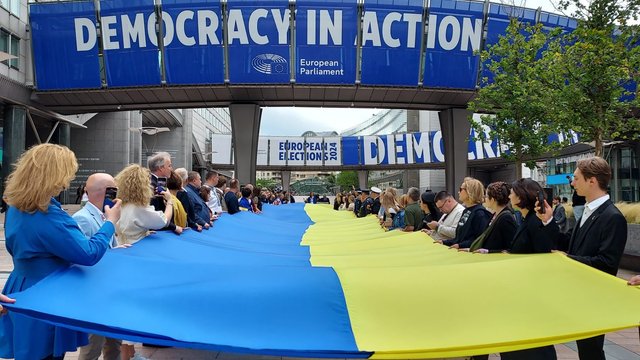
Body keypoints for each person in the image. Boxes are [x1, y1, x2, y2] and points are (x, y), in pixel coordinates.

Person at [0, 144, 121, 360]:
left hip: (21, 284)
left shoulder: (16, 206)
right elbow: (88, 254)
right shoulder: (47, 214)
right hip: (47, 292)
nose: (68, 181)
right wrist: (110, 222)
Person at [539, 157, 627, 360]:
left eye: (576, 178)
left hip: (595, 296)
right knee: (587, 351)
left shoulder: (612, 217)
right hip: (580, 293)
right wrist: (549, 221)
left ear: (592, 181)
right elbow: (567, 243)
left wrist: (567, 259)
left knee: (591, 351)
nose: (572, 182)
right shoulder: (589, 211)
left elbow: (607, 263)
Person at [499, 178, 556, 359]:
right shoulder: (525, 219)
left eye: (512, 192)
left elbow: (543, 252)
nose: (509, 195)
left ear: (522, 195)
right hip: (523, 292)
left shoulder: (534, 221)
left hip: (531, 294)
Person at [74, 173, 128, 360]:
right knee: (92, 347)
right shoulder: (82, 218)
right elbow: (83, 255)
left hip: (110, 289)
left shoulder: (104, 214)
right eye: (115, 190)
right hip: (94, 292)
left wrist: (115, 250)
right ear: (107, 192)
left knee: (114, 343)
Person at [440, 178, 491, 249]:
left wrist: (460, 245)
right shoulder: (466, 211)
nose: (458, 192)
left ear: (469, 192)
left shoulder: (480, 214)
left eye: (461, 189)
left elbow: (479, 239)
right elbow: (459, 237)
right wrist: (445, 242)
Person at [469, 181, 517, 253]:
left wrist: (489, 251)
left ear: (493, 199)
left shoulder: (506, 218)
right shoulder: (495, 215)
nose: (484, 199)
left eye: (487, 196)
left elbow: (510, 247)